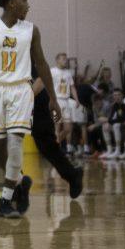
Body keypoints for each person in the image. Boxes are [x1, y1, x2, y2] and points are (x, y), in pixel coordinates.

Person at [0, 0, 61, 219]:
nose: (28, 4)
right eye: (24, 0)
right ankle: (20, 182)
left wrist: (52, 97)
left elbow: (41, 64)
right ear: (11, 3)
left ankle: (5, 200)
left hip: (21, 89)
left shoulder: (31, 30)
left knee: (15, 143)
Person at [29, 64, 83, 198]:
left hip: (35, 97)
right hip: (14, 95)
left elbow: (41, 77)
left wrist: (53, 99)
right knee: (3, 142)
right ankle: (14, 187)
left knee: (46, 143)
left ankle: (72, 174)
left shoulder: (29, 52)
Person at [50, 53, 80, 154]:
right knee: (57, 125)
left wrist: (76, 99)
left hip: (66, 101)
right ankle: (56, 149)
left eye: (66, 59)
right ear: (57, 60)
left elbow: (72, 87)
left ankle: (57, 142)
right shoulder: (52, 71)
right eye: (63, 59)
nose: (65, 61)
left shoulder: (68, 73)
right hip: (57, 100)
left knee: (68, 127)